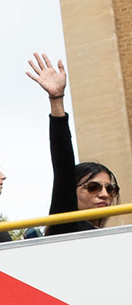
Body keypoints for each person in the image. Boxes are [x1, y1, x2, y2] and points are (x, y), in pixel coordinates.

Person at [25, 53, 120, 237]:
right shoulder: (66, 224)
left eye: (110, 189)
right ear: (71, 189)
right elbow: (63, 164)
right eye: (93, 187)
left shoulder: (112, 237)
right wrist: (57, 101)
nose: (104, 194)